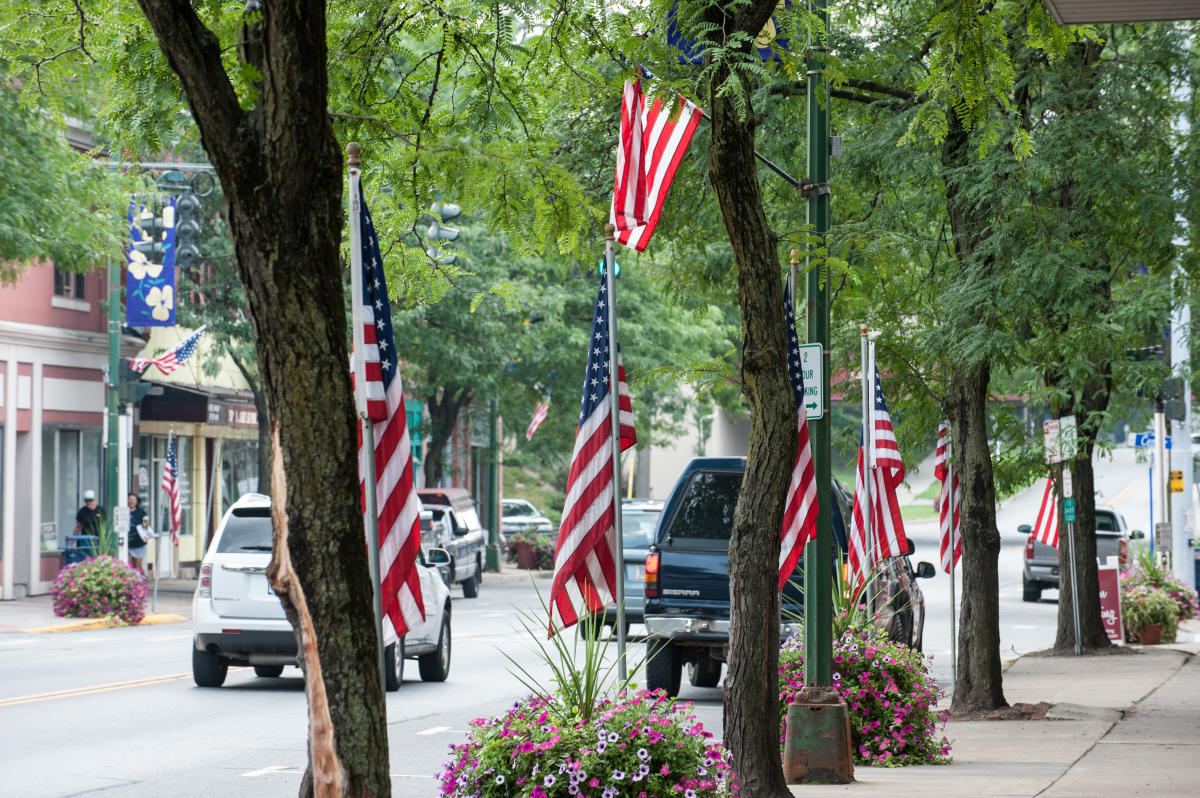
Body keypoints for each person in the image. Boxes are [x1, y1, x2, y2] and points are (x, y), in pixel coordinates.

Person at [127, 494, 149, 573]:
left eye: (133, 500)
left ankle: (142, 582)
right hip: (126, 542)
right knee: (125, 565)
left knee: (137, 565)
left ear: (137, 502)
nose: (131, 502)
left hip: (138, 542)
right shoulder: (124, 511)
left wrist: (146, 524)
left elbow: (146, 525)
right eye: (129, 499)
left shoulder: (141, 512)